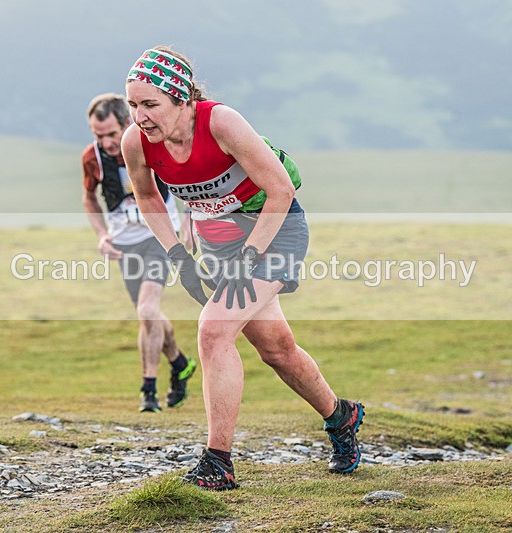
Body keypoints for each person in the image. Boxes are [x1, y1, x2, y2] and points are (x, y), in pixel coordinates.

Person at [121, 46, 364, 490]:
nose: (140, 116)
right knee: (276, 349)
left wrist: (248, 259)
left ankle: (219, 462)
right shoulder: (136, 142)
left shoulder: (222, 123)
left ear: (184, 100)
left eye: (151, 104)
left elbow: (281, 191)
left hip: (275, 231)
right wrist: (178, 255)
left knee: (213, 330)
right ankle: (341, 416)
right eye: (133, 105)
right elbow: (149, 197)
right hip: (218, 241)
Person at [82, 93, 197, 413]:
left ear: (127, 124)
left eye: (111, 134)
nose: (105, 142)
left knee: (147, 311)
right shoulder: (92, 158)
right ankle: (180, 362)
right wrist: (102, 235)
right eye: (97, 135)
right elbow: (89, 199)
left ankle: (148, 390)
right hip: (125, 245)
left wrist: (187, 224)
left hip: (160, 236)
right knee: (150, 315)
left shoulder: (155, 146)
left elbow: (192, 184)